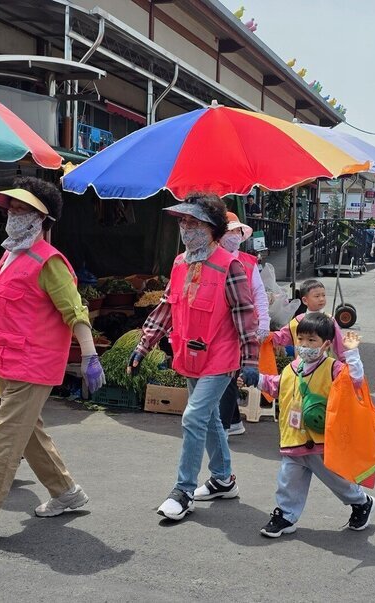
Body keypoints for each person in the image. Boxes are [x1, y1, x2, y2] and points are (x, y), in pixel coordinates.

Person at [0, 177, 105, 548]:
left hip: (33, 366)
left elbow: (75, 310)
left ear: (42, 219)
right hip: (4, 360)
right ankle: (67, 492)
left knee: (3, 438)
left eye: (23, 210)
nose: (13, 215)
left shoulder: (49, 262)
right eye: (12, 209)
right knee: (27, 431)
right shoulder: (10, 254)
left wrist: (90, 354)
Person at [128, 194, 258, 522]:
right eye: (183, 221)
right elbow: (168, 307)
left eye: (194, 222)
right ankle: (223, 479)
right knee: (210, 419)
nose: (186, 228)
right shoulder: (179, 263)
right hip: (189, 353)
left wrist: (251, 360)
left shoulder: (231, 266)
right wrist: (144, 345)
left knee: (193, 418)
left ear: (212, 228)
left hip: (221, 356)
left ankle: (183, 490)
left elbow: (245, 314)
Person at [245, 313, 375, 537]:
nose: (305, 345)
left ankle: (361, 501)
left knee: (338, 482)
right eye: (301, 339)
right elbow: (276, 386)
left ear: (326, 344)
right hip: (293, 438)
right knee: (288, 480)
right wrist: (255, 378)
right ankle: (286, 515)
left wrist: (352, 352)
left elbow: (355, 380)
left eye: (311, 340)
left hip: (322, 441)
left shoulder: (333, 368)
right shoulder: (291, 368)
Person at [217, 211, 270, 436]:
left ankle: (225, 426)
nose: (234, 235)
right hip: (220, 325)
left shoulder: (248, 262)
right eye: (230, 231)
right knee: (226, 373)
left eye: (237, 231)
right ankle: (234, 421)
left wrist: (264, 322)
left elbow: (259, 293)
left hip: (242, 325)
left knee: (228, 374)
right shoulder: (212, 259)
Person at [270, 279, 346, 362]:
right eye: (317, 296)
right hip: (302, 367)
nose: (321, 299)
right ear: (305, 300)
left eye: (323, 295)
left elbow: (339, 345)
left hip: (326, 367)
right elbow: (281, 337)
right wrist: (266, 336)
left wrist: (345, 361)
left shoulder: (330, 320)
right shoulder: (297, 321)